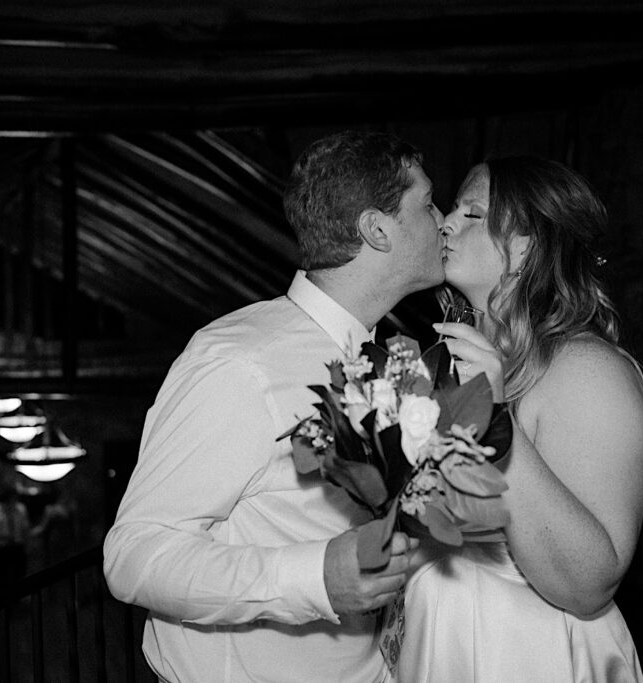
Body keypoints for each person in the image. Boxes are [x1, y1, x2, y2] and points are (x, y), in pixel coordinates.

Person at [103, 130, 444, 683]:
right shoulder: (241, 362)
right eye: (428, 204)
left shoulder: (382, 356)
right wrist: (313, 577)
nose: (443, 221)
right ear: (377, 229)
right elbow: (135, 555)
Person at [395, 157, 643, 682]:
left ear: (525, 247)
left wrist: (494, 421)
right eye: (452, 208)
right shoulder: (445, 364)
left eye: (472, 213)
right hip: (444, 651)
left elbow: (589, 585)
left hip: (532, 656)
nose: (445, 221)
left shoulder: (585, 371)